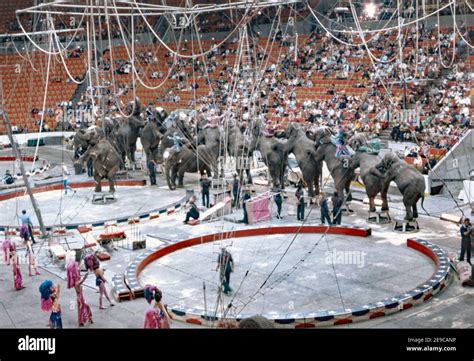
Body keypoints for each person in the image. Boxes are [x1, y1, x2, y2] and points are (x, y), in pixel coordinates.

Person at [67, 261, 93, 327]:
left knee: (83, 308)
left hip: (80, 297)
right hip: (80, 298)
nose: (78, 270)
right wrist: (86, 276)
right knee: (83, 308)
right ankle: (83, 321)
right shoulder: (76, 283)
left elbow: (79, 274)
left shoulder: (75, 279)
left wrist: (80, 267)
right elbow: (81, 281)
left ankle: (85, 320)